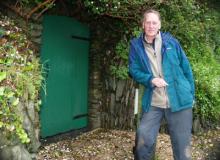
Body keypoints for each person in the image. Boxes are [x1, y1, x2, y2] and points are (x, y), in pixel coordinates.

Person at [129, 9, 195, 160]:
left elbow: (186, 69)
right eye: (148, 22)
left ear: (159, 25)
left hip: (179, 100)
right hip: (154, 102)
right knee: (143, 138)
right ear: (143, 24)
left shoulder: (172, 42)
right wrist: (150, 79)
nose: (151, 25)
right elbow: (134, 70)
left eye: (154, 22)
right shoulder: (136, 46)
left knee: (182, 147)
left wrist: (191, 95)